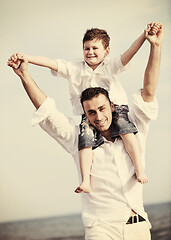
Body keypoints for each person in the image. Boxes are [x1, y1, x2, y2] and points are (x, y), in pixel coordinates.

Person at [8, 22, 163, 239]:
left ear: (112, 106)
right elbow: (47, 111)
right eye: (91, 112)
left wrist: (155, 46)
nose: (98, 117)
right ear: (84, 114)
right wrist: (24, 73)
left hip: (139, 228)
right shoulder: (79, 140)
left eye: (102, 109)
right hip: (101, 230)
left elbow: (148, 90)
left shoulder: (134, 130)